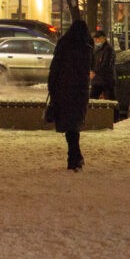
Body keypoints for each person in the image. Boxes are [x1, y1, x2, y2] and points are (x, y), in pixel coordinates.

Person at [47, 20, 93, 172]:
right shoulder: (86, 47)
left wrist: (52, 87)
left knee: (69, 125)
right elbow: (88, 70)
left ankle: (74, 156)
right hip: (79, 91)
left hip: (63, 90)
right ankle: (75, 156)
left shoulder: (64, 44)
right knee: (74, 124)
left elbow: (55, 67)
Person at [89, 29, 115, 100]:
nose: (96, 40)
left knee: (110, 101)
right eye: (95, 39)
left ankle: (113, 111)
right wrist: (91, 70)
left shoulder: (108, 49)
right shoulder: (97, 50)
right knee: (92, 100)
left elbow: (106, 65)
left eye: (98, 38)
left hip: (106, 80)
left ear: (104, 38)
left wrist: (94, 72)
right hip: (97, 80)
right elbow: (93, 62)